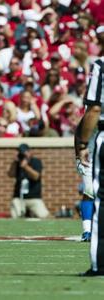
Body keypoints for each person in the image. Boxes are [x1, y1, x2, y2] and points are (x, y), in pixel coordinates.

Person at [75, 57, 104, 276]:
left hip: (97, 144)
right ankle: (86, 230)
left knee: (97, 196)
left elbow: (93, 111)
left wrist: (81, 145)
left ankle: (99, 264)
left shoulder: (100, 65)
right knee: (89, 190)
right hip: (93, 147)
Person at [8, 143, 49, 219]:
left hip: (34, 197)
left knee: (44, 216)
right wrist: (14, 162)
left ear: (30, 152)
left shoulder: (36, 161)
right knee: (15, 217)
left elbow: (36, 176)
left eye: (25, 152)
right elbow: (10, 175)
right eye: (21, 152)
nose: (23, 154)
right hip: (19, 197)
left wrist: (26, 167)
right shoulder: (17, 163)